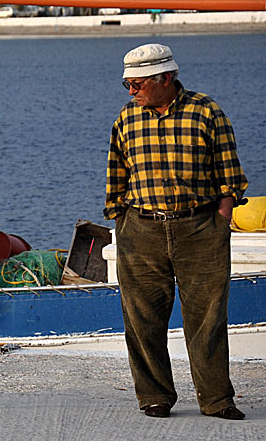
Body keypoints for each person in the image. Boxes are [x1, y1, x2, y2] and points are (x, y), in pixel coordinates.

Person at [104, 43, 248, 420]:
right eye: (128, 86)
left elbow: (229, 173)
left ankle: (216, 400)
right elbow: (116, 175)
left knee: (208, 319)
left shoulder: (206, 111)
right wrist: (120, 217)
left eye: (138, 85)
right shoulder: (126, 119)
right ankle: (154, 396)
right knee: (142, 319)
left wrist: (221, 216)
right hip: (141, 228)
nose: (132, 92)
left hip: (200, 228)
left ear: (165, 78)